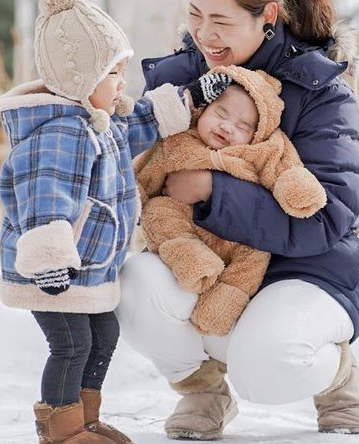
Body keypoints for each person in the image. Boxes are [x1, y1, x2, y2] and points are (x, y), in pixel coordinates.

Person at [117, 0, 359, 439]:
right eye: (194, 15)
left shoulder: (320, 89)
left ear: (267, 17)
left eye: (221, 20)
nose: (204, 34)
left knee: (266, 370)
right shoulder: (178, 79)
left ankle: (336, 374)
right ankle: (204, 389)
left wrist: (213, 190)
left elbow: (328, 217)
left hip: (304, 269)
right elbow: (132, 168)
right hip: (208, 257)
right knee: (132, 286)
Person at [0, 0, 230, 444]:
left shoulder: (98, 123)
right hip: (55, 271)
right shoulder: (59, 132)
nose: (122, 83)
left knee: (103, 336)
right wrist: (50, 258)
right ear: (81, 78)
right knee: (71, 344)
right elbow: (43, 199)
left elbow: (141, 122)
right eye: (113, 72)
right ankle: (59, 435)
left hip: (88, 270)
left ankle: (85, 419)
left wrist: (193, 97)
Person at [133, 65, 327, 345]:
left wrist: (296, 187)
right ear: (202, 110)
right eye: (220, 114)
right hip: (185, 223)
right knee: (158, 212)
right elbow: (144, 175)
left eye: (243, 126)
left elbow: (282, 167)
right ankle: (191, 260)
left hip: (241, 233)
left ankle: (224, 301)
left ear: (258, 133)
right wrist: (132, 196)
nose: (227, 127)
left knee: (254, 257)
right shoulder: (177, 142)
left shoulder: (262, 149)